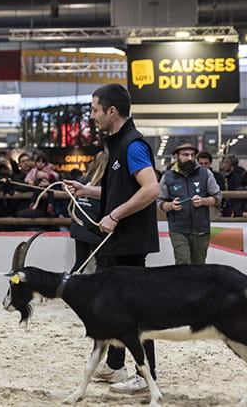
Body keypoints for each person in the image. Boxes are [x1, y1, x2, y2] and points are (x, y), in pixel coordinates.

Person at [64, 83, 160, 395]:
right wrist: (86, 190)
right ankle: (116, 366)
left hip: (130, 242)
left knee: (137, 313)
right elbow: (121, 191)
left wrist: (115, 214)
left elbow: (151, 189)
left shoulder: (133, 145)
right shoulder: (117, 146)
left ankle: (147, 378)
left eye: (95, 110)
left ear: (112, 111)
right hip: (118, 242)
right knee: (116, 309)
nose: (92, 116)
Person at [158, 143, 221, 265]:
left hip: (201, 230)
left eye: (192, 155)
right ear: (176, 156)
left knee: (199, 266)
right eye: (185, 155)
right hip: (178, 229)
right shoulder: (167, 176)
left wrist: (204, 201)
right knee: (183, 263)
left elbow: (217, 197)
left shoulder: (205, 173)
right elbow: (160, 202)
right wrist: (170, 205)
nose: (190, 158)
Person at [69, 151, 108, 273]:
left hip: (79, 226)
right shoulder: (106, 182)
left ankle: (67, 288)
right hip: (94, 227)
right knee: (103, 263)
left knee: (80, 262)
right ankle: (98, 291)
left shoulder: (82, 179)